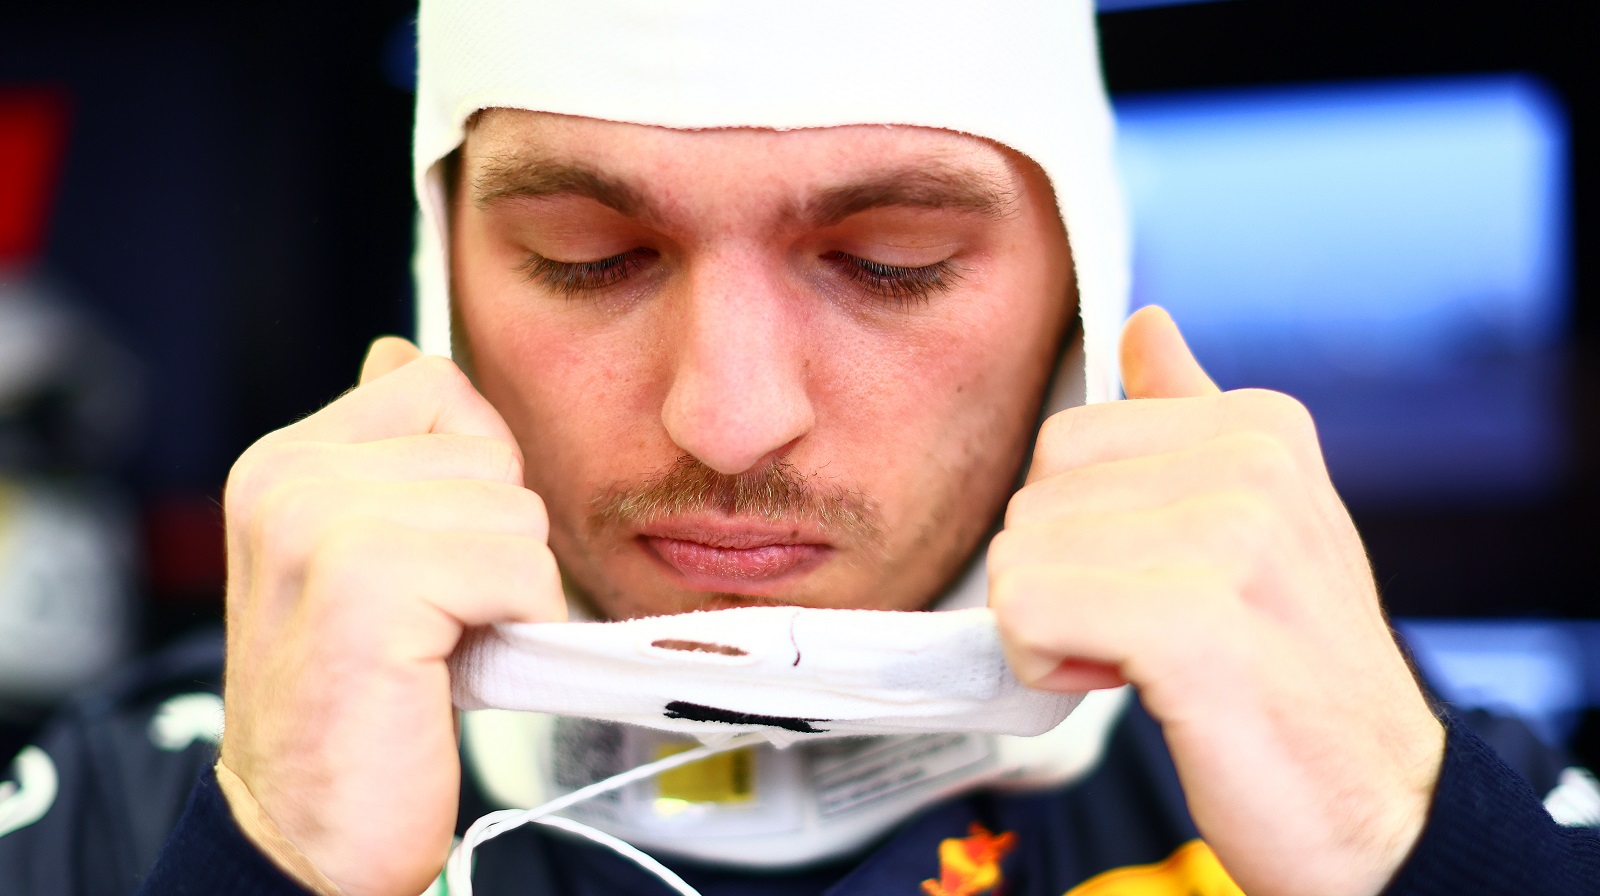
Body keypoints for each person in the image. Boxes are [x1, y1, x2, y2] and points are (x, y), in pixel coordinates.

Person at [4, 1, 1598, 894]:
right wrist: (266, 869)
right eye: (585, 255)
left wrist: (1426, 856)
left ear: (1076, 296)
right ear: (443, 276)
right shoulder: (126, 818)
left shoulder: (1379, 778)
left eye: (892, 262)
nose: (728, 415)